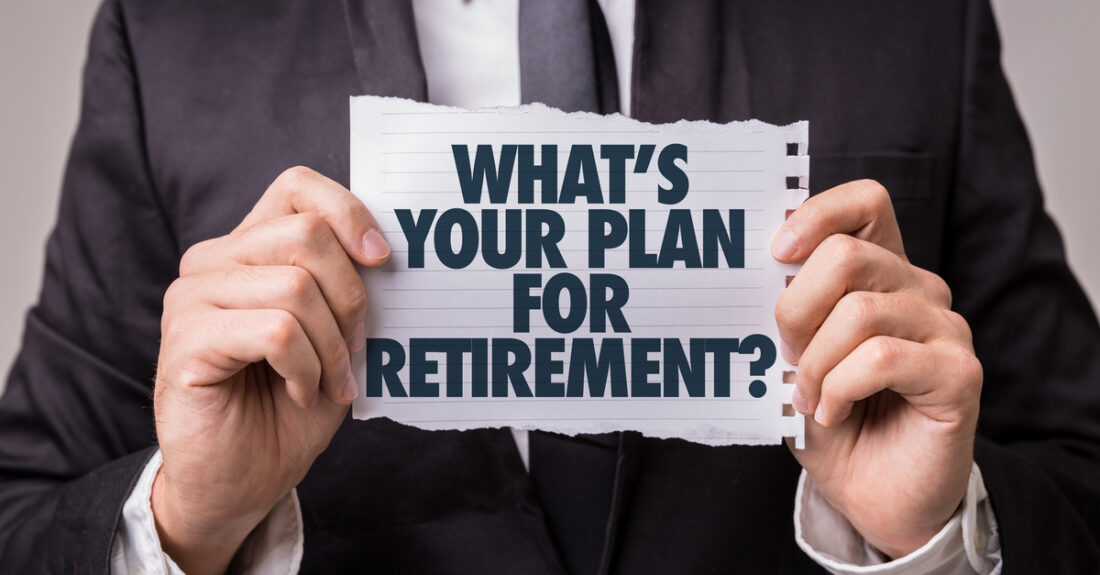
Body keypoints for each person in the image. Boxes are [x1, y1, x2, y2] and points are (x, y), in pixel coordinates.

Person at [1, 0, 1098, 573]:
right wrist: (187, 520)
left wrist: (937, 534)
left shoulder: (911, 17)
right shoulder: (174, 34)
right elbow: (26, 512)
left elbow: (1077, 474)